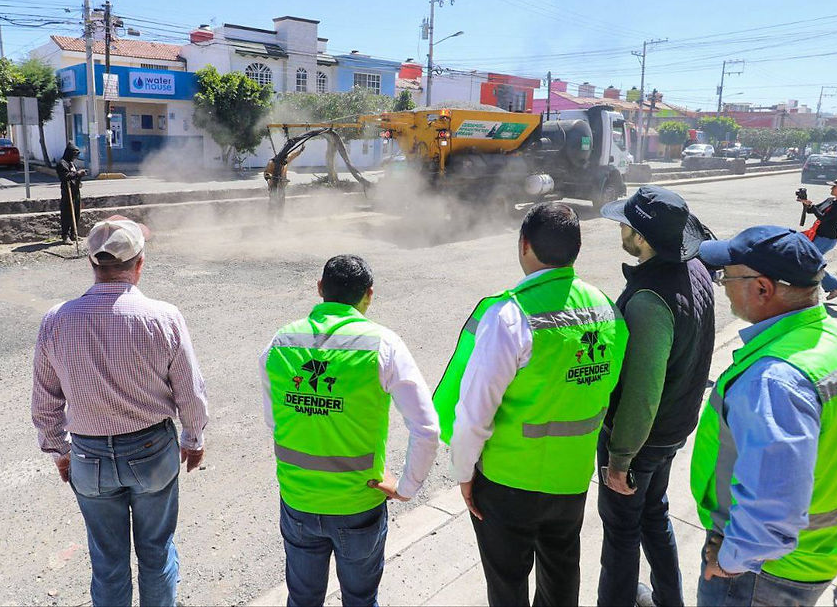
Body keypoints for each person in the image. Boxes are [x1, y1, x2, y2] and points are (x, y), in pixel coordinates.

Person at [433, 202, 628, 607]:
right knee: (560, 580)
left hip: (508, 483)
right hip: (571, 479)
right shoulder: (606, 309)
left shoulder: (510, 316)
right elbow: (606, 389)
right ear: (576, 249)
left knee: (507, 586)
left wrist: (464, 472)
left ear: (524, 245)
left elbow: (475, 412)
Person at [691, 226, 837, 607]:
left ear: (762, 289)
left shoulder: (775, 380)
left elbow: (773, 504)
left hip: (762, 571)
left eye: (728, 275)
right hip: (819, 549)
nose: (723, 284)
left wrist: (731, 561)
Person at [31, 215, 209, 607]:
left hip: (88, 455)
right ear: (139, 264)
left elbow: (45, 403)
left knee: (108, 561)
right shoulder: (164, 318)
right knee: (157, 550)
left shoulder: (56, 320)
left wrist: (60, 453)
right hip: (151, 451)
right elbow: (190, 393)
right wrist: (193, 439)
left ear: (92, 263)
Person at [259, 254, 440, 607]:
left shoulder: (279, 343)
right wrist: (406, 487)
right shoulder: (382, 346)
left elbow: (274, 423)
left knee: (302, 600)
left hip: (298, 500)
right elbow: (427, 428)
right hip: (359, 502)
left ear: (320, 289)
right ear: (369, 294)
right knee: (359, 600)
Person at [596, 186, 716, 607]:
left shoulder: (649, 300)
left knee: (622, 531)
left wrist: (620, 458)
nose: (621, 231)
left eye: (627, 226)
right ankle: (669, 599)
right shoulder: (695, 271)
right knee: (653, 515)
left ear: (643, 238)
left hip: (644, 437)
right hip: (674, 426)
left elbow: (642, 391)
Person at [796, 178, 837, 300]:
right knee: (808, 262)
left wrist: (812, 206)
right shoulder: (831, 201)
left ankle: (834, 286)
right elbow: (812, 211)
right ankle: (830, 287)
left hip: (826, 239)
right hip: (818, 236)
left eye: (834, 187)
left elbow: (823, 218)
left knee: (811, 263)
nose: (831, 188)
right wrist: (806, 203)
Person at [56, 144, 86, 244]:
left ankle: (74, 233)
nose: (75, 157)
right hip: (67, 192)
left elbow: (75, 175)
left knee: (76, 213)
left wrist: (80, 176)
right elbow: (65, 176)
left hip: (75, 191)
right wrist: (77, 174)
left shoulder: (72, 164)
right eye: (74, 155)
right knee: (67, 214)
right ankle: (65, 235)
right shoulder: (62, 163)